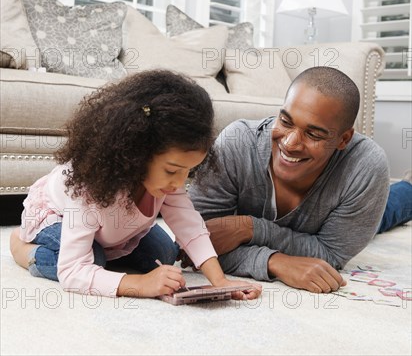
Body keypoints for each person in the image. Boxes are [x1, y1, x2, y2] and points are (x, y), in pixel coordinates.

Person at [9, 69, 261, 301]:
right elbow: (72, 272)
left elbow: (188, 222)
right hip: (57, 215)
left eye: (189, 172)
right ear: (137, 153)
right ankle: (23, 249)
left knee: (164, 253)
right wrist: (140, 284)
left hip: (111, 228)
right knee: (92, 261)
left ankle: (106, 252)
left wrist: (220, 281)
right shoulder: (90, 188)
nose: (179, 182)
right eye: (172, 170)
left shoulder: (167, 181)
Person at [188, 66, 412, 294]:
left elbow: (331, 252)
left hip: (332, 220)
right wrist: (275, 262)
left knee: (388, 210)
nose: (290, 143)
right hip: (308, 225)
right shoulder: (238, 144)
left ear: (343, 139)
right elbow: (194, 244)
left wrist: (251, 228)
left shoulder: (365, 167)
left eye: (313, 134)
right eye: (285, 121)